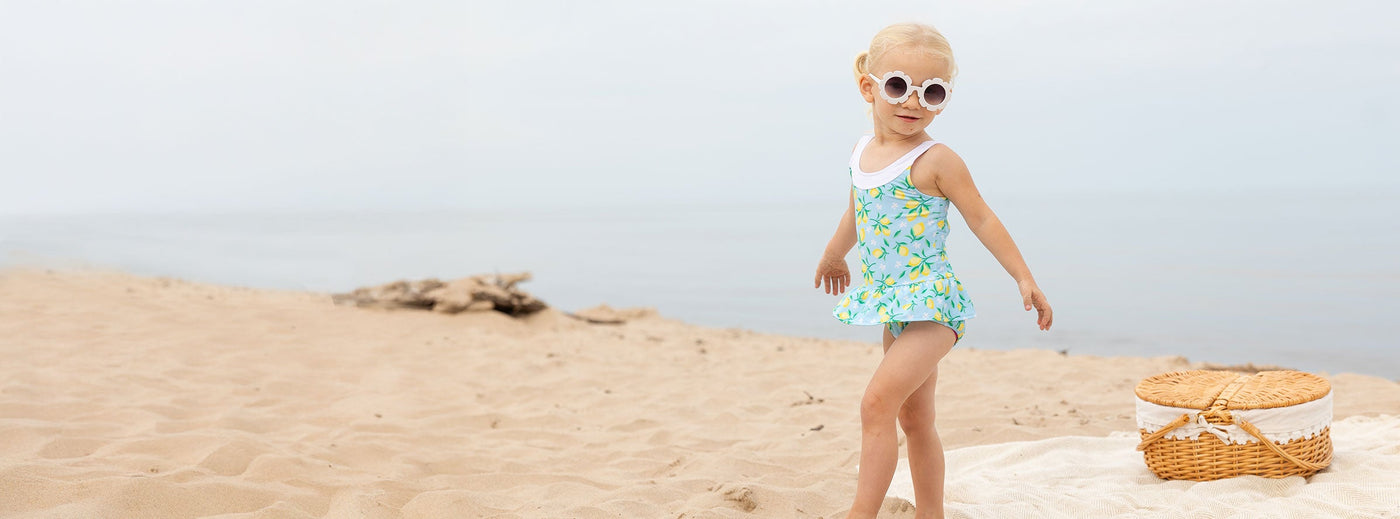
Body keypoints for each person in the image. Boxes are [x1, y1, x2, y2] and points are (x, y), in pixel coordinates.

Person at [812, 22, 1055, 519]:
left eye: (933, 92)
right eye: (899, 85)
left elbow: (983, 218)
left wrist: (1023, 276)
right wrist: (835, 255)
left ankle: (861, 514)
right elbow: (857, 211)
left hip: (932, 306)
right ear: (869, 86)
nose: (914, 102)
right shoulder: (862, 153)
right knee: (914, 418)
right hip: (893, 304)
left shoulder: (937, 159)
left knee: (875, 404)